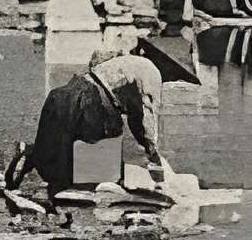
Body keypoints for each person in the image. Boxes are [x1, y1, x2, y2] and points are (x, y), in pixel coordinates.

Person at [17, 22, 198, 197]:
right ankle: (92, 188)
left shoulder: (126, 61)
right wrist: (152, 153)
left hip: (66, 92)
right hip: (91, 101)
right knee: (103, 151)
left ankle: (34, 161)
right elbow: (143, 118)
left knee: (53, 152)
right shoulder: (151, 73)